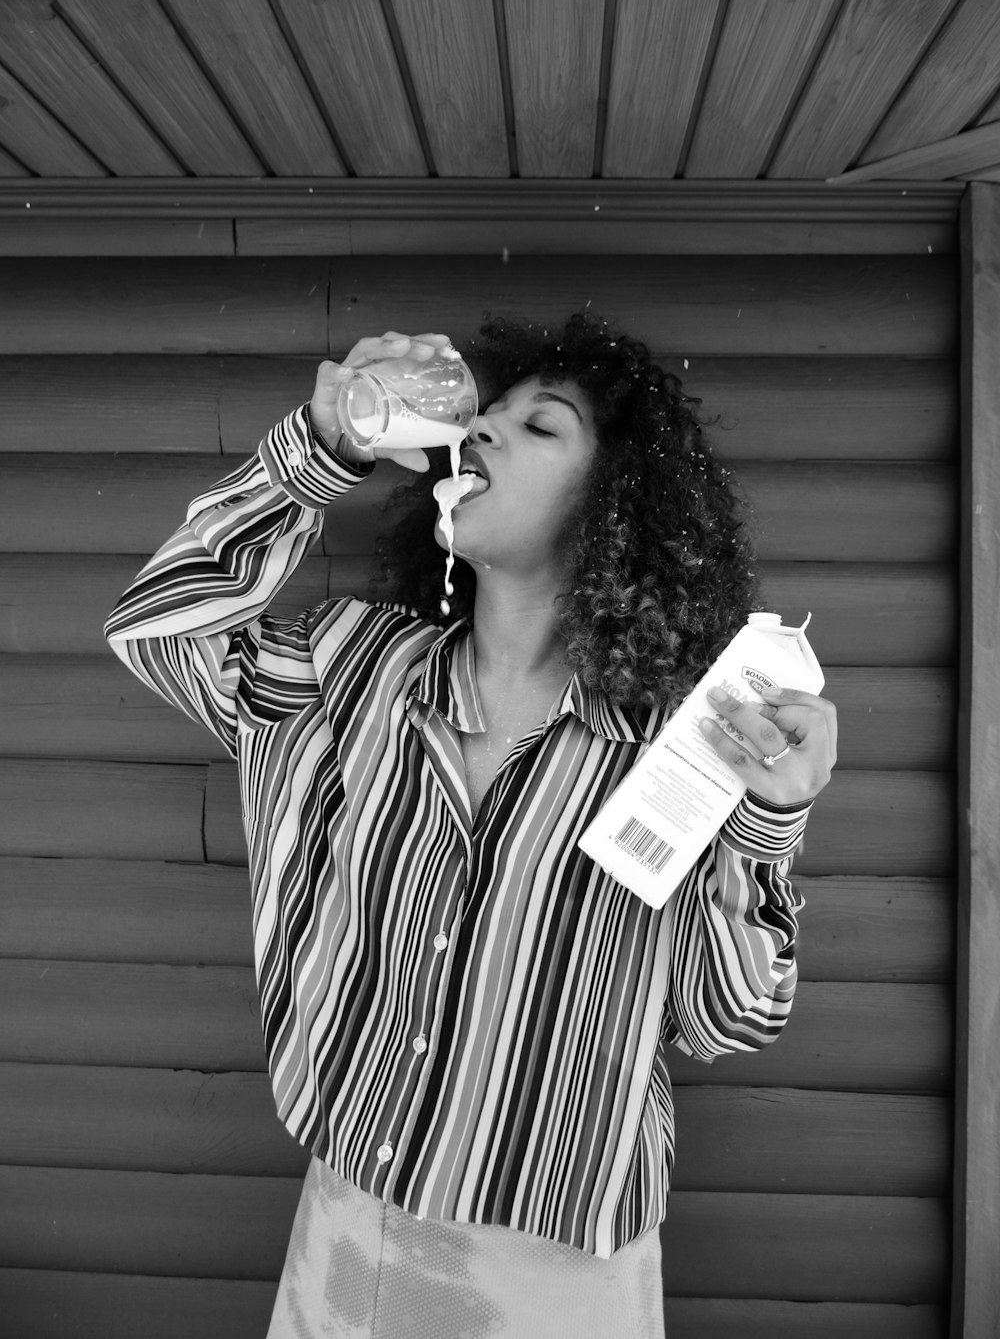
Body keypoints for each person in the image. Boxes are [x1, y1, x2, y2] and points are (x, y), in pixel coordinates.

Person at [106, 314, 837, 1339]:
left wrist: (768, 819)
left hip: (555, 1275)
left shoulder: (684, 746)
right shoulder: (348, 668)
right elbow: (158, 627)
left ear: (612, 508)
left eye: (539, 428)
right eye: (484, 418)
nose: (484, 433)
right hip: (348, 1227)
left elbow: (726, 1020)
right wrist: (319, 447)